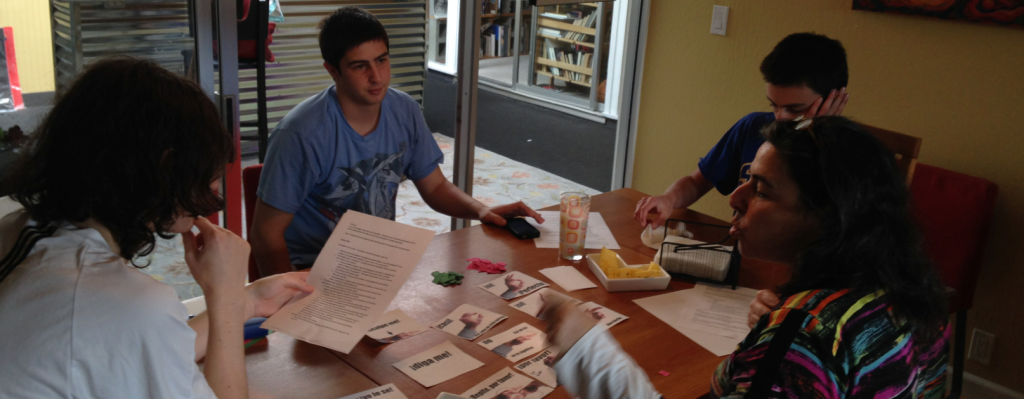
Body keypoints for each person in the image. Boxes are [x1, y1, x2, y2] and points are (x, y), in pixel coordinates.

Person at [547, 116, 949, 398]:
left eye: (762, 190)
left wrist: (589, 353)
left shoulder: (805, 337)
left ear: (827, 217)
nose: (734, 198)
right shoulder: (911, 298)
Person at [0, 58, 314, 399]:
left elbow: (144, 347)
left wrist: (248, 301)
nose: (215, 193)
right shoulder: (122, 300)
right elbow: (138, 328)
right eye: (208, 174)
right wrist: (224, 293)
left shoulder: (22, 228)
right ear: (166, 167)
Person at [251, 6, 542, 277]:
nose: (376, 77)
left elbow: (435, 186)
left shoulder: (404, 109)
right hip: (314, 268)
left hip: (378, 260)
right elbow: (266, 236)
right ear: (333, 70)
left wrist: (481, 210)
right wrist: (287, 301)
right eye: (359, 66)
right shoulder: (301, 135)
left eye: (381, 60)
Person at [635, 32, 851, 230]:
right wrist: (669, 198)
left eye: (795, 109)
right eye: (773, 105)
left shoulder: (847, 154)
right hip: (743, 252)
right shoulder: (753, 127)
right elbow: (696, 182)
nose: (780, 117)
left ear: (834, 99)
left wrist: (814, 138)